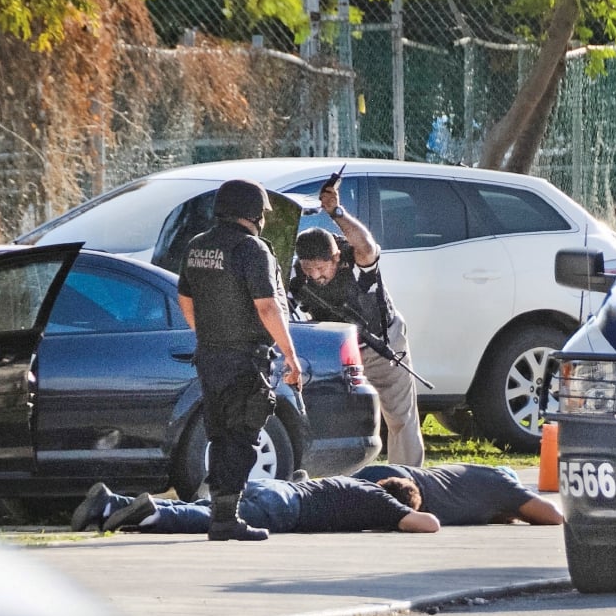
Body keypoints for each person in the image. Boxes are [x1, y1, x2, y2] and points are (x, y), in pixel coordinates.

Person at [177, 178, 303, 542]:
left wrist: (208, 334)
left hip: (210, 356)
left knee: (218, 434)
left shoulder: (197, 246)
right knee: (243, 436)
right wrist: (291, 357)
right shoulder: (252, 249)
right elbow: (267, 305)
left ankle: (220, 516)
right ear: (251, 213)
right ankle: (225, 518)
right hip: (245, 359)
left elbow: (185, 298)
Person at [289, 176, 424, 466]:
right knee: (342, 419)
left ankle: (409, 479)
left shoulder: (354, 259)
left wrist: (337, 213)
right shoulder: (299, 278)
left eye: (321, 267)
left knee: (401, 418)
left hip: (382, 341)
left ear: (335, 258)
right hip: (341, 353)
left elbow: (368, 247)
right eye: (307, 268)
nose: (315, 275)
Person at [71, 476, 440, 535]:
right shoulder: (381, 502)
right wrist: (398, 514)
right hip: (286, 508)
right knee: (210, 518)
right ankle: (155, 512)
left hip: (271, 485)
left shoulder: (356, 483)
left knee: (202, 503)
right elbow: (429, 524)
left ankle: (108, 503)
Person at [350, 463, 564, 526]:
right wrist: (521, 514)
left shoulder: (472, 475)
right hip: (405, 490)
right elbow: (553, 515)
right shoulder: (501, 483)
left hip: (390, 474)